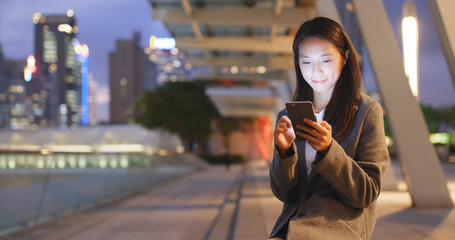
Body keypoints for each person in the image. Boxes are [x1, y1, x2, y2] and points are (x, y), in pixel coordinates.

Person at [268, 17, 389, 240]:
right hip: (295, 223)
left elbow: (366, 193)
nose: (316, 72)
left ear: (344, 58)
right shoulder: (288, 116)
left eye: (325, 60)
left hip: (339, 227)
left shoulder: (367, 111)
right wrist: (284, 152)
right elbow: (285, 194)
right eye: (306, 62)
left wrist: (328, 150)